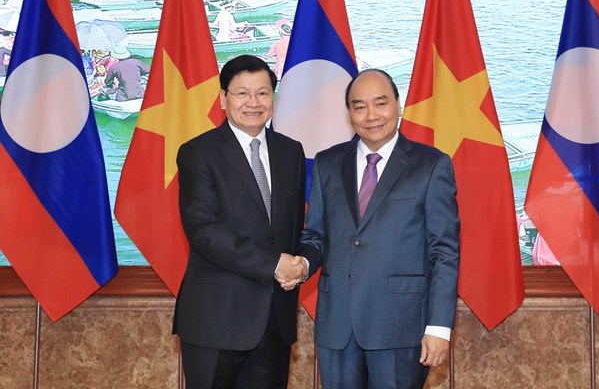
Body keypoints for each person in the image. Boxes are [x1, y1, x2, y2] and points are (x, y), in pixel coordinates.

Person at [292, 69, 460, 388]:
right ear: (350, 114)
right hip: (337, 326)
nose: (371, 115)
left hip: (401, 325)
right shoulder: (328, 163)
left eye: (380, 103)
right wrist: (302, 265)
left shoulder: (431, 164)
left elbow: (444, 252)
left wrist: (438, 327)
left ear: (399, 105)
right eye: (359, 106)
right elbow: (316, 236)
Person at [173, 55, 320, 389]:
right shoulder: (198, 153)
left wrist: (302, 262)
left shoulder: (291, 152)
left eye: (263, 93)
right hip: (216, 321)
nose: (253, 103)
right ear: (223, 99)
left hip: (274, 321)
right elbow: (202, 230)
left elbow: (294, 226)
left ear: (274, 98)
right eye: (242, 93)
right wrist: (273, 264)